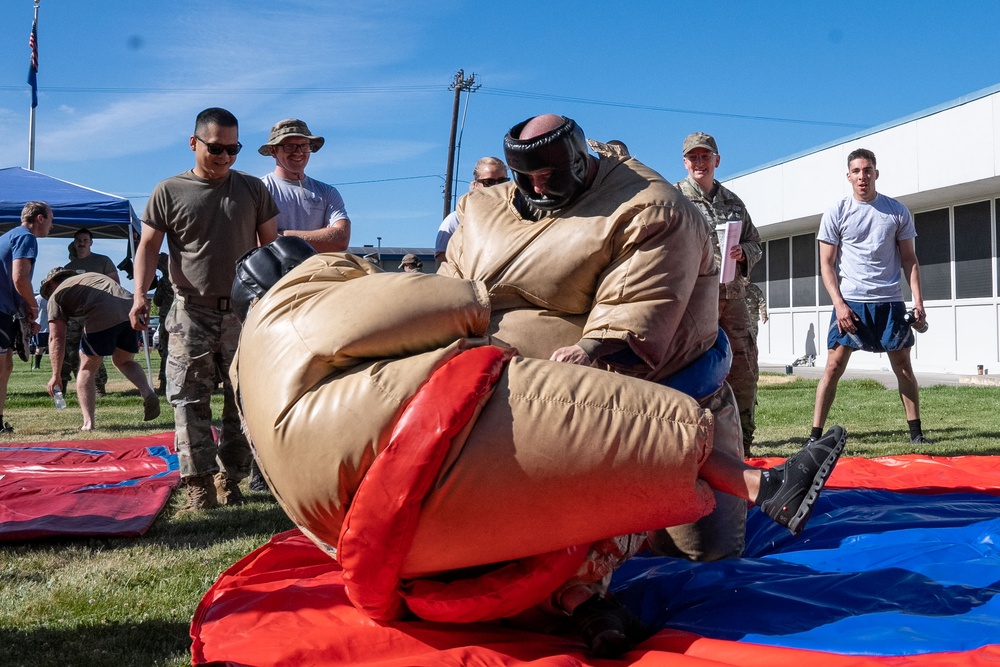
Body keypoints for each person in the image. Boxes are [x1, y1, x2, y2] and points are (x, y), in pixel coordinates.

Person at [437, 114, 844, 655]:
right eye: (522, 176)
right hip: (529, 404)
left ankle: (743, 495)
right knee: (566, 497)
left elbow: (640, 305)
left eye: (548, 173)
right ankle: (592, 597)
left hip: (668, 390)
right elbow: (449, 292)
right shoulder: (483, 214)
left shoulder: (652, 206)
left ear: (581, 161)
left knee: (706, 561)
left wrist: (590, 345)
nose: (536, 187)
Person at [129, 107, 279, 511]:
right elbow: (148, 246)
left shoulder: (252, 190)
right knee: (188, 399)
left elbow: (271, 248)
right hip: (189, 313)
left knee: (243, 399)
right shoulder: (169, 191)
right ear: (194, 143)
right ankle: (198, 483)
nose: (226, 157)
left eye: (234, 149)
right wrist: (139, 295)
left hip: (243, 314)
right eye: (216, 148)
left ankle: (229, 476)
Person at [811, 148, 930, 445]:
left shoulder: (896, 211)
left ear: (876, 173)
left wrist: (918, 302)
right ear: (848, 176)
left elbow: (909, 259)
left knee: (903, 366)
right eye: (856, 171)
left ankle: (916, 435)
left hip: (889, 301)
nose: (862, 177)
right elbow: (826, 263)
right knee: (833, 366)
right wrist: (839, 305)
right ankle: (814, 437)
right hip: (851, 302)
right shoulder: (837, 212)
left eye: (867, 170)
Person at [676, 132, 763, 455]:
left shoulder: (734, 202)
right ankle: (692, 441)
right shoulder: (675, 199)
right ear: (685, 162)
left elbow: (756, 242)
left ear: (717, 161)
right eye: (693, 157)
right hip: (697, 300)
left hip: (734, 298)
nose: (700, 163)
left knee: (744, 367)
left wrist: (745, 253)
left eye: (705, 156)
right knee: (694, 368)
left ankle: (745, 442)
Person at [41, 268, 160, 431]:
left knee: (86, 368)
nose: (48, 297)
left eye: (47, 292)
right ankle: (147, 392)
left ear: (52, 284)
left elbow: (56, 338)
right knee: (124, 361)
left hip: (103, 309)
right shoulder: (91, 276)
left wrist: (56, 375)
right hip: (129, 307)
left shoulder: (57, 295)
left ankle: (88, 423)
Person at [259, 119, 350, 253]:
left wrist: (281, 235)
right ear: (273, 151)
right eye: (289, 146)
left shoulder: (327, 192)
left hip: (318, 273)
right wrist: (322, 236)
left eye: (304, 146)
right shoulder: (259, 189)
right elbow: (257, 241)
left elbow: (341, 239)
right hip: (273, 274)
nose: (298, 152)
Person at [0, 201, 52, 434]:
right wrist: (32, 306)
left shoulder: (9, 235)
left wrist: (23, 312)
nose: (53, 225)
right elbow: (20, 278)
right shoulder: (26, 237)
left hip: (5, 308)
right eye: (51, 219)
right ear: (40, 219)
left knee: (6, 365)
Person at [63, 228, 119, 396]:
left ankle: (98, 386)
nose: (82, 243)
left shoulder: (102, 261)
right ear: (74, 243)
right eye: (79, 240)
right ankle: (83, 383)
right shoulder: (68, 267)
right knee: (73, 350)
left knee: (94, 349)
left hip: (96, 312)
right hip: (75, 314)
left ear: (91, 242)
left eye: (85, 240)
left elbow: (115, 284)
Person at [434, 157, 509, 264]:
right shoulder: (455, 221)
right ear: (475, 185)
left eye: (502, 181)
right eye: (488, 182)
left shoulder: (517, 218)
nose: (497, 187)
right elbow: (442, 266)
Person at [32, 293, 48, 370]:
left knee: (39, 347)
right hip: (43, 327)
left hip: (40, 326)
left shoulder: (36, 298)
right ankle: (37, 365)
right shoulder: (48, 298)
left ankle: (37, 365)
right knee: (40, 347)